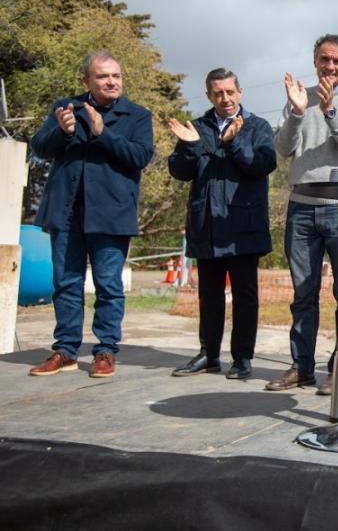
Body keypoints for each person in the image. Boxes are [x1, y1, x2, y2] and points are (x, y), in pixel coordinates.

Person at [28, 51, 154, 378]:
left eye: (116, 76)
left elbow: (140, 156)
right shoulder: (65, 107)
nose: (111, 81)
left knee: (108, 285)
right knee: (66, 283)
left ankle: (105, 350)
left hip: (111, 215)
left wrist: (103, 133)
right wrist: (63, 131)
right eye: (102, 76)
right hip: (66, 211)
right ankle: (65, 350)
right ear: (86, 80)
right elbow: (39, 147)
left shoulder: (137, 115)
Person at [266, 34, 338, 393]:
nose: (330, 67)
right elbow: (282, 149)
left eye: (337, 62)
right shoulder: (299, 96)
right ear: (315, 61)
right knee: (303, 293)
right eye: (325, 60)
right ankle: (301, 366)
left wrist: (330, 111)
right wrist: (297, 112)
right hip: (301, 208)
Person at [167, 68, 277, 380]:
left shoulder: (257, 127)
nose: (225, 98)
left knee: (245, 296)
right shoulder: (198, 127)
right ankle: (209, 354)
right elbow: (180, 171)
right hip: (207, 227)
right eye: (218, 93)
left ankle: (242, 358)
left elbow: (263, 164)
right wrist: (189, 146)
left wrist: (233, 142)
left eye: (230, 92)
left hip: (244, 227)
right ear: (208, 96)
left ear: (239, 92)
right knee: (209, 295)